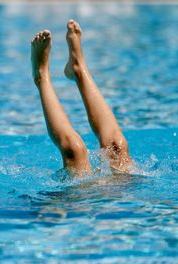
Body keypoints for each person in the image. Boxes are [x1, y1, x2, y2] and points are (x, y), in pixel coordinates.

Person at [31, 19, 132, 176]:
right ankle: (78, 68)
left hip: (80, 198)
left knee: (74, 150)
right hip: (120, 189)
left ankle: (41, 76)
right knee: (118, 146)